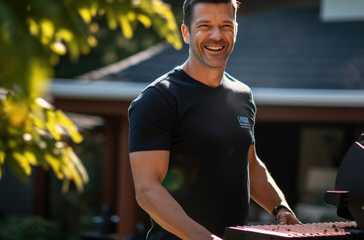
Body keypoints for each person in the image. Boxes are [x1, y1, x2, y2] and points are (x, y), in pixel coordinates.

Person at [128, 0, 301, 239]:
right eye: (205, 26)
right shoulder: (159, 98)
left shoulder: (242, 96)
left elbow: (250, 164)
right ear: (186, 33)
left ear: (236, 31)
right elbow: (147, 189)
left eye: (226, 26)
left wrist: (280, 207)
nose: (217, 35)